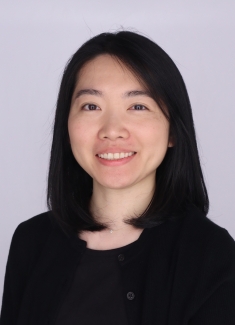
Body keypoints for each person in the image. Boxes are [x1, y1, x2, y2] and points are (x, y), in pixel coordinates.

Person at [1, 31, 235, 325]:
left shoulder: (209, 253)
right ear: (67, 124)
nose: (112, 129)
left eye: (138, 106)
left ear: (173, 130)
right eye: (91, 106)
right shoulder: (31, 241)